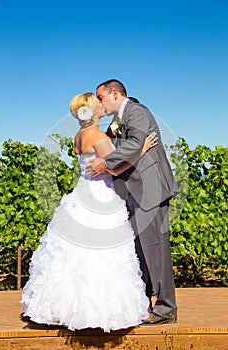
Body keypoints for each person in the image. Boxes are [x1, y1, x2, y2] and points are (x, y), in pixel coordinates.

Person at [21, 92, 158, 333]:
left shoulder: (79, 136)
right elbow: (115, 168)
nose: (102, 107)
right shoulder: (96, 135)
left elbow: (94, 153)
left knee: (71, 253)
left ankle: (60, 309)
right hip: (100, 194)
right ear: (93, 112)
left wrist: (112, 133)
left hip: (81, 192)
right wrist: (143, 149)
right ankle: (99, 312)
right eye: (98, 106)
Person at [86, 79, 179, 325]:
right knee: (141, 250)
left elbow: (135, 145)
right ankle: (145, 302)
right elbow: (127, 149)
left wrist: (105, 164)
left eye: (101, 96)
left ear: (114, 94)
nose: (99, 102)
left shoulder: (137, 112)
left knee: (155, 249)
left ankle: (166, 309)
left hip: (151, 190)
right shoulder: (118, 121)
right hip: (135, 191)